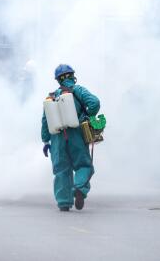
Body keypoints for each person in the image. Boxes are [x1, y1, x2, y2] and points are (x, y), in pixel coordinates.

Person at [41, 64, 100, 211]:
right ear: (72, 76)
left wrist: (45, 141)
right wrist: (86, 116)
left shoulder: (51, 97)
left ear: (58, 80)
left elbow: (45, 121)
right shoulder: (78, 90)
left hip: (57, 139)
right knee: (84, 165)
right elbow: (94, 103)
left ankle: (64, 202)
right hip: (76, 135)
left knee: (61, 170)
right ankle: (79, 188)